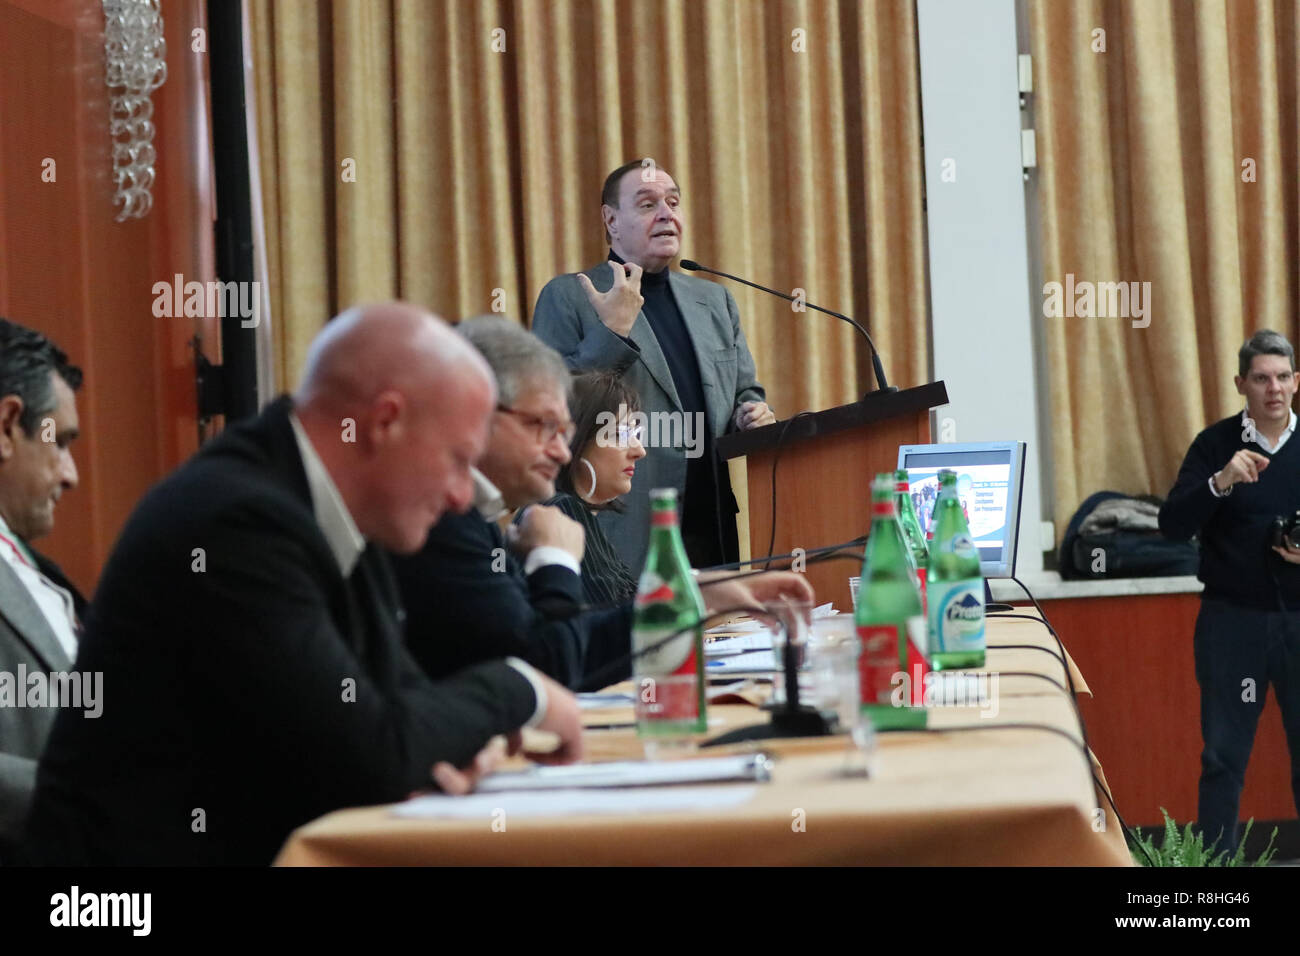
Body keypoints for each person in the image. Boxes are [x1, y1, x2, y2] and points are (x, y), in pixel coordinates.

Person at [21, 303, 583, 866]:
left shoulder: (328, 509)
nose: (465, 497)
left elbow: (399, 711)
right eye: (458, 461)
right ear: (386, 422)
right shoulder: (235, 521)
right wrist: (521, 689)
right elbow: (374, 755)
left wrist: (443, 743)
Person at [393, 316, 815, 693]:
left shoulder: (476, 521)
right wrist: (554, 558)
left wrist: (705, 596)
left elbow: (574, 647)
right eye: (545, 427)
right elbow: (554, 663)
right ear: (476, 413)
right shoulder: (443, 524)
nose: (560, 452)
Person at [533, 159, 776, 576]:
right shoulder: (570, 296)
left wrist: (751, 413)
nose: (667, 213)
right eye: (647, 205)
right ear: (611, 220)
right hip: (624, 531)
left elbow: (743, 391)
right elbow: (552, 408)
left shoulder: (714, 302)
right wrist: (612, 332)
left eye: (673, 202)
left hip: (713, 531)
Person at [1159, 329, 1300, 855]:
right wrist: (1220, 482)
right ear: (1241, 383)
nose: (1274, 389)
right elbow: (1171, 524)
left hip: (1298, 620)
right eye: (1261, 378)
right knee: (1223, 759)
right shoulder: (1215, 445)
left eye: (1283, 377)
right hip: (1232, 624)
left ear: (1296, 381)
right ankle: (1215, 886)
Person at [0, 319, 86, 859]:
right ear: (8, 425)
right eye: (60, 441)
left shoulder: (44, 575)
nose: (70, 474)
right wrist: (98, 800)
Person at [543, 369, 645, 607]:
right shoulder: (561, 511)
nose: (639, 451)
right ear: (574, 441)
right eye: (621, 434)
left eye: (636, 434)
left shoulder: (579, 514)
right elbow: (615, 619)